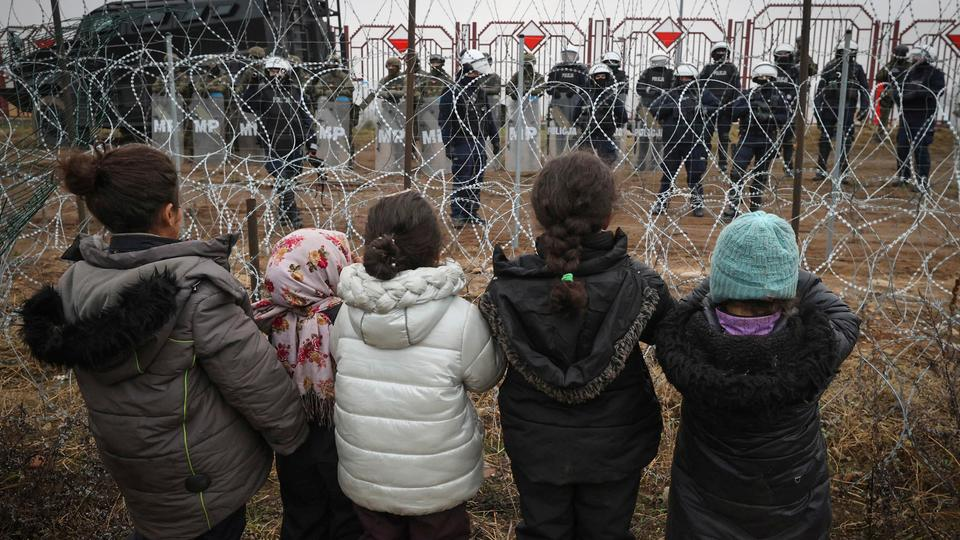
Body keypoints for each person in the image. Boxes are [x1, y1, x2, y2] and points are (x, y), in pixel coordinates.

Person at [19, 144, 309, 540]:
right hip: (204, 479)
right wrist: (296, 440)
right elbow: (257, 383)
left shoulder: (76, 282)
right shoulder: (196, 291)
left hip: (138, 471)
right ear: (170, 214)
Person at [479, 151, 674, 540]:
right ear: (607, 214)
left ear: (540, 213)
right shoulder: (639, 285)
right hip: (616, 442)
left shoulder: (506, 290)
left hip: (536, 443)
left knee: (543, 530)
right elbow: (674, 342)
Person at [655, 211, 861, 539]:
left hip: (702, 510)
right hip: (792, 510)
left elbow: (680, 311)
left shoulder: (690, 341)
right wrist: (787, 275)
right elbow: (845, 319)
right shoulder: (813, 347)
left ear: (721, 279)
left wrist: (719, 281)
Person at [331, 190, 504, 540]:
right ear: (434, 250)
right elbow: (485, 377)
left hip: (368, 474)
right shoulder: (461, 318)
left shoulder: (347, 313)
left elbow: (338, 360)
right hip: (438, 481)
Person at [253, 229, 363, 540]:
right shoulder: (346, 316)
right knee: (347, 515)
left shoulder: (270, 317)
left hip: (291, 434)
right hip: (342, 435)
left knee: (302, 513)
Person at [240, 56, 316, 228]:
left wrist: (312, 142)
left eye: (277, 71)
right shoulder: (263, 92)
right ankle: (294, 215)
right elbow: (246, 105)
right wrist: (253, 84)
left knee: (289, 179)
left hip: (294, 142)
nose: (274, 74)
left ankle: (282, 213)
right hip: (273, 142)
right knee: (282, 177)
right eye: (271, 71)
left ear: (286, 72)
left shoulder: (296, 92)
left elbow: (306, 118)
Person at [439, 49, 500, 228]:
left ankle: (471, 212)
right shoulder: (452, 91)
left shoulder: (479, 90)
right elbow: (445, 120)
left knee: (476, 178)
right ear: (468, 67)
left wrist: (495, 138)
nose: (480, 74)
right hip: (462, 140)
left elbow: (488, 116)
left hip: (478, 139)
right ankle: (458, 214)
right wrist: (448, 144)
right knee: (463, 177)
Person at [722, 63, 789, 221]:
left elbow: (785, 118)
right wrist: (749, 106)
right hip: (747, 137)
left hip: (767, 139)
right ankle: (733, 206)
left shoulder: (778, 97)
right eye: (761, 78)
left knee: (760, 175)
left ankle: (755, 207)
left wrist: (768, 117)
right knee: (737, 172)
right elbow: (733, 114)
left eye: (768, 78)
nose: (764, 81)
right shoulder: (748, 95)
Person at [649, 63, 719, 217]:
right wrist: (673, 107)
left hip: (695, 141)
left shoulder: (702, 94)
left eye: (688, 78)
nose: (685, 80)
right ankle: (661, 203)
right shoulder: (671, 94)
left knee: (695, 174)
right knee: (668, 174)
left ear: (694, 79)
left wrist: (702, 109)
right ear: (677, 79)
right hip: (673, 142)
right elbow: (654, 109)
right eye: (682, 78)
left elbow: (718, 108)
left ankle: (697, 204)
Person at [893, 44, 946, 193]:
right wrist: (901, 98)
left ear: (927, 57)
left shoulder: (935, 74)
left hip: (924, 116)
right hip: (907, 115)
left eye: (918, 56)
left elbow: (937, 91)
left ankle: (922, 180)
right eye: (914, 55)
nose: (914, 58)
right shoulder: (908, 73)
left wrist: (917, 93)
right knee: (902, 146)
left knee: (920, 148)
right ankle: (903, 176)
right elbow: (896, 90)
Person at [813, 41, 869, 181]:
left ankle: (843, 171)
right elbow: (820, 89)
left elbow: (864, 90)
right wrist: (817, 109)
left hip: (848, 109)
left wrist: (864, 107)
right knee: (825, 139)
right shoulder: (830, 67)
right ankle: (821, 169)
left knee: (846, 139)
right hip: (829, 108)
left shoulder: (857, 69)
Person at [699, 41, 742, 174]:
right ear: (713, 54)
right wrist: (705, 103)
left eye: (724, 52)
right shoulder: (708, 69)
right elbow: (700, 86)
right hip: (709, 109)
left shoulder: (731, 68)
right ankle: (702, 161)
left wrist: (732, 106)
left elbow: (736, 88)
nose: (721, 54)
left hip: (726, 109)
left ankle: (723, 163)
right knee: (706, 136)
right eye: (719, 52)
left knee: (724, 137)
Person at [573, 63, 628, 165]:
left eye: (603, 76)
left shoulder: (611, 98)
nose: (601, 79)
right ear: (592, 79)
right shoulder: (586, 97)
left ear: (607, 78)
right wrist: (582, 124)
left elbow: (623, 117)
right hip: (588, 136)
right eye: (598, 77)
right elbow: (575, 116)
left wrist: (611, 124)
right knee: (584, 163)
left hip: (605, 135)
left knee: (606, 162)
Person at [635, 54, 674, 171]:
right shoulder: (647, 72)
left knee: (658, 138)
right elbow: (639, 88)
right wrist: (649, 90)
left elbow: (673, 89)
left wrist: (663, 92)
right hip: (646, 109)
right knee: (644, 137)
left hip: (662, 109)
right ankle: (641, 164)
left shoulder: (669, 74)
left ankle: (654, 164)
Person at [773, 43, 801, 175]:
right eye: (781, 55)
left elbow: (798, 87)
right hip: (773, 108)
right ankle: (764, 166)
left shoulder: (795, 71)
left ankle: (788, 166)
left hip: (789, 109)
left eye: (785, 55)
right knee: (770, 137)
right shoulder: (773, 70)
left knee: (788, 140)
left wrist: (790, 97)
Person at [874, 44, 912, 142]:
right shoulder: (908, 66)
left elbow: (879, 76)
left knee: (887, 112)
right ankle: (903, 134)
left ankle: (882, 133)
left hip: (895, 91)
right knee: (901, 113)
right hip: (900, 92)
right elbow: (879, 76)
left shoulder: (892, 65)